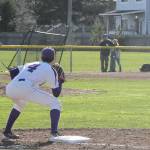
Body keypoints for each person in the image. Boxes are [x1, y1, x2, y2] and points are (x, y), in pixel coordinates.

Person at [2, 47, 65, 141]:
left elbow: (13, 72)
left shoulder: (31, 63)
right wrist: (60, 81)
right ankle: (54, 134)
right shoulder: (51, 70)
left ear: (41, 56)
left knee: (20, 103)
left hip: (10, 88)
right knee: (55, 103)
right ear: (53, 58)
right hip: (26, 88)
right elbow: (56, 93)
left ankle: (7, 132)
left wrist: (12, 73)